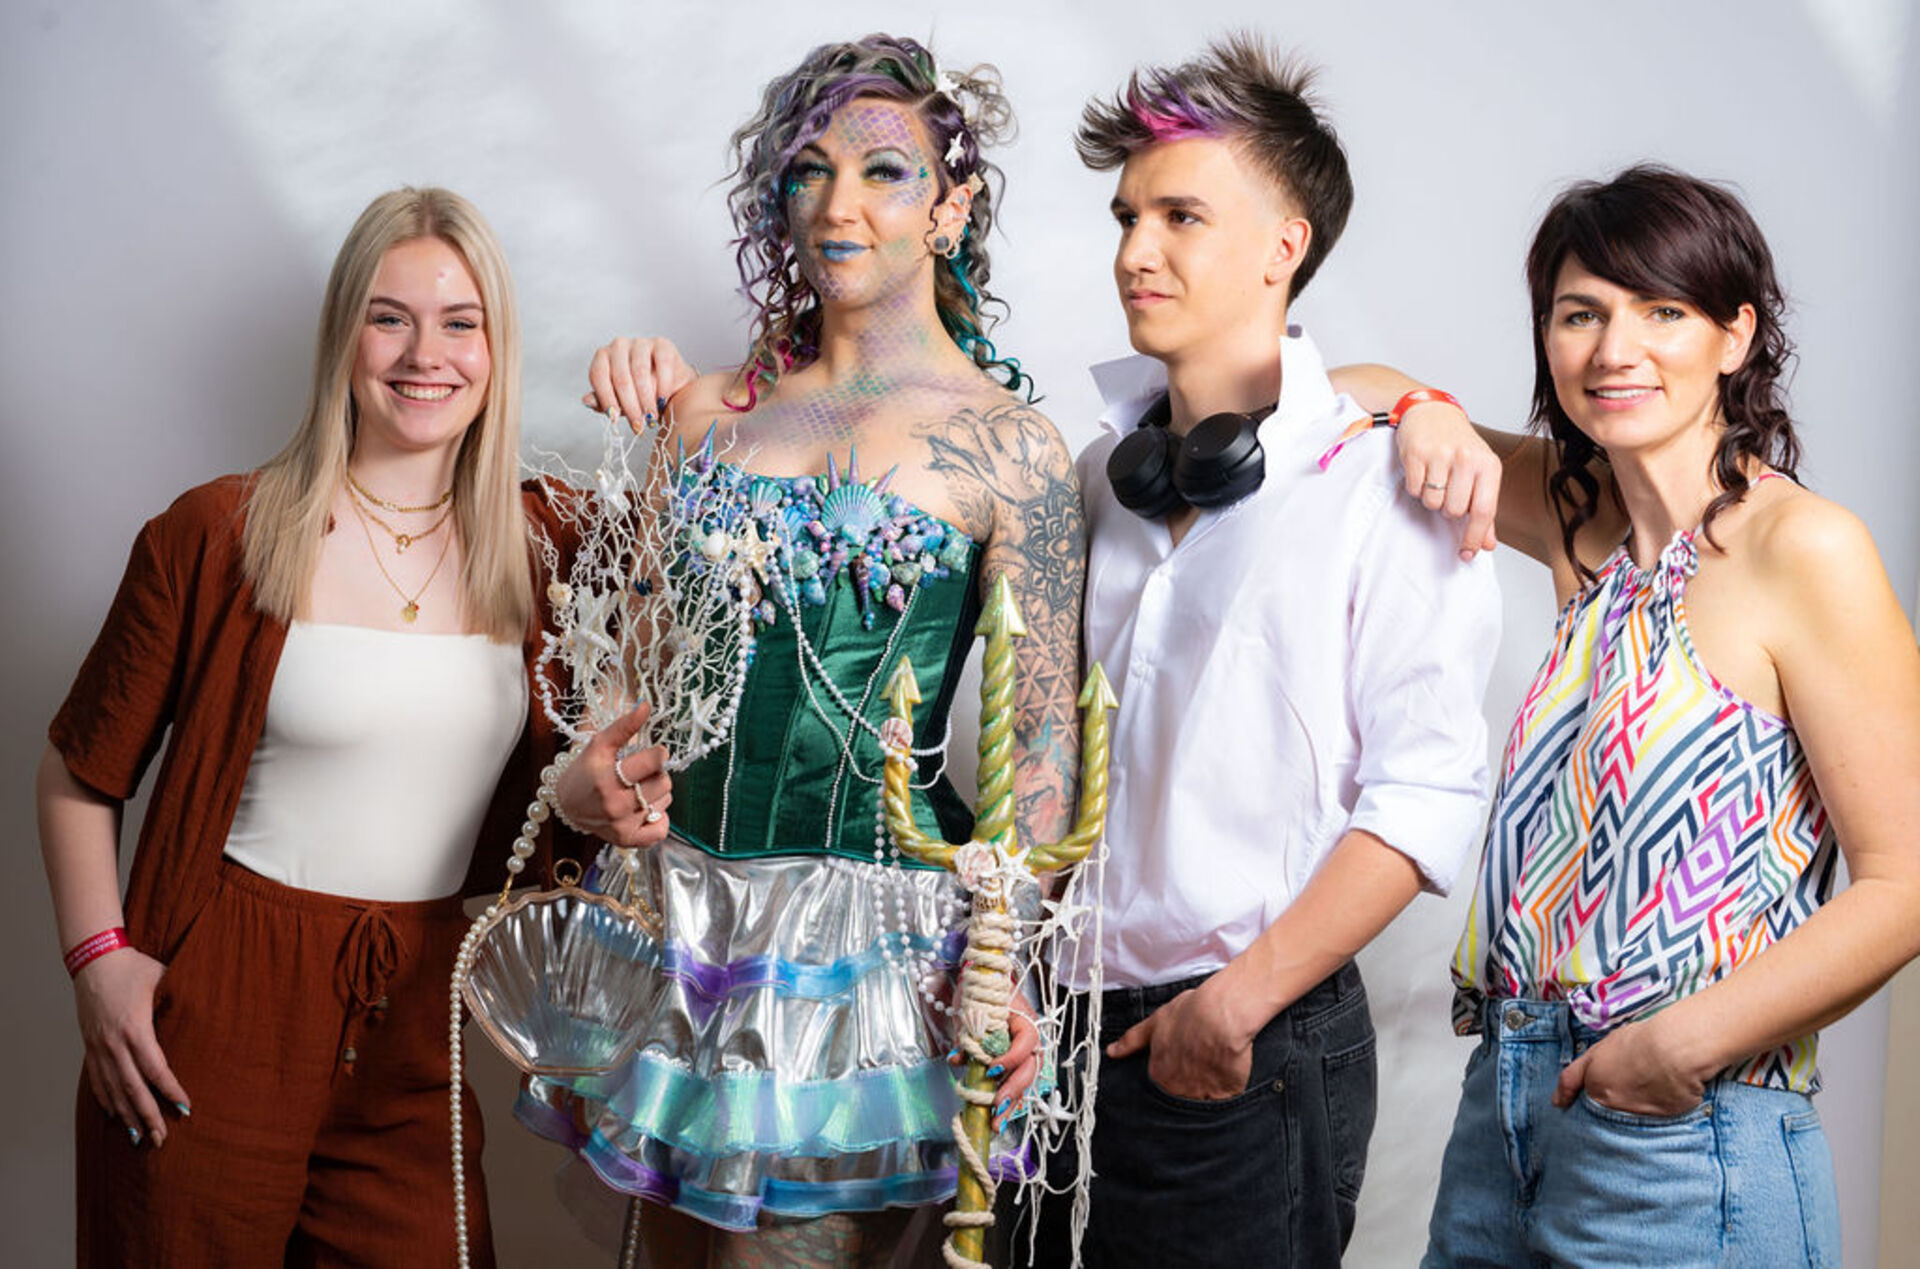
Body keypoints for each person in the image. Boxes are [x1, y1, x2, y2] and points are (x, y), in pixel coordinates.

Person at [520, 34, 1084, 1267]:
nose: (838, 206)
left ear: (952, 206)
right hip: (673, 922)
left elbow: (1041, 752)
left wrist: (1003, 964)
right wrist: (594, 772)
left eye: (884, 171)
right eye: (809, 171)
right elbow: (639, 675)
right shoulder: (702, 413)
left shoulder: (1013, 452)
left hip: (868, 945)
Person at [37, 186, 669, 1267]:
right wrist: (101, 964)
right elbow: (78, 769)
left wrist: (673, 404)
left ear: (497, 348)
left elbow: (681, 623)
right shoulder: (219, 532)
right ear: (344, 335)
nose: (426, 354)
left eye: (460, 322)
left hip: (420, 1010)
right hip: (220, 1001)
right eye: (390, 318)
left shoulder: (547, 546)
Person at [1017, 35, 1503, 1269]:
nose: (1135, 251)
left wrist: (1233, 1006)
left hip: (1242, 1048)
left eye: (1181, 216)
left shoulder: (1390, 483)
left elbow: (1425, 796)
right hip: (1057, 1046)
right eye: (1128, 216)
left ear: (1286, 245)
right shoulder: (1102, 479)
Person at [1396, 165, 1920, 1267]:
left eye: (1663, 311)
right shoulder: (1578, 517)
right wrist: (1424, 410)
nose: (1614, 349)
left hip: (1685, 1133)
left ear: (1736, 335)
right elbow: (1343, 389)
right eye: (1579, 314)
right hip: (1502, 1114)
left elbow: (1905, 882)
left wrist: (1678, 1046)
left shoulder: (1801, 547)